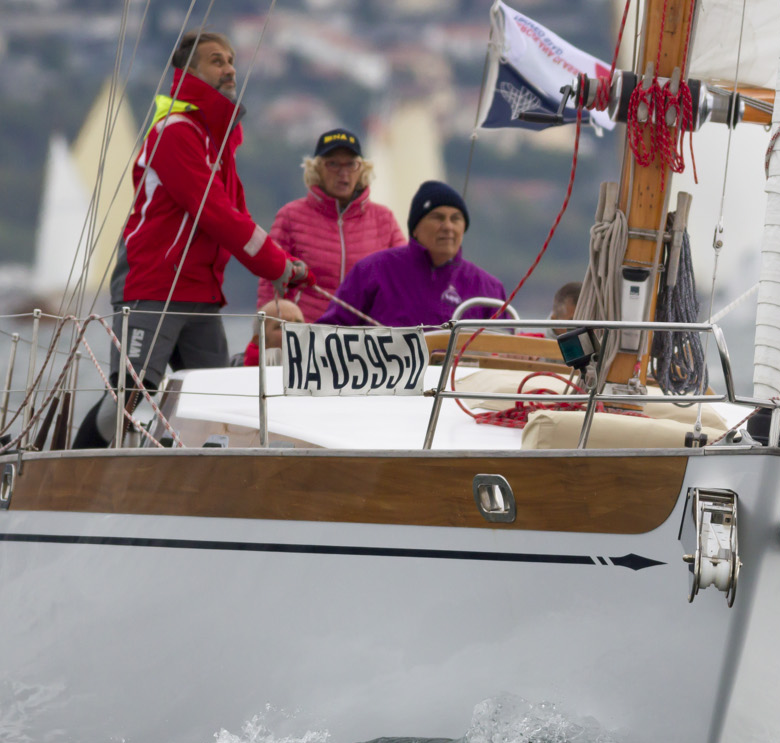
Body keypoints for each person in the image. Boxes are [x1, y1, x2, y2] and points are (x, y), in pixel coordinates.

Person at [75, 29, 310, 447]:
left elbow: (237, 215)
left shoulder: (219, 143)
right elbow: (214, 212)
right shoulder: (174, 132)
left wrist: (283, 264)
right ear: (190, 73)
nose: (230, 68)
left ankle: (190, 475)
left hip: (201, 290)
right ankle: (73, 470)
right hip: (153, 285)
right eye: (217, 61)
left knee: (216, 402)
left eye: (231, 60)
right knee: (131, 395)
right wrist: (277, 265)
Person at [242, 128, 405, 365]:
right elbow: (271, 282)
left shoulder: (384, 219)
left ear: (362, 169)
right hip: (307, 343)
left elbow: (403, 280)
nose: (343, 172)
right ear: (317, 169)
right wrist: (265, 340)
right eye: (333, 164)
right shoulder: (290, 216)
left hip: (367, 346)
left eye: (351, 164)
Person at [317, 180, 509, 328]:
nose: (448, 227)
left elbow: (506, 348)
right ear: (415, 229)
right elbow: (329, 331)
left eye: (456, 219)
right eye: (438, 217)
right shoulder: (371, 271)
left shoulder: (489, 288)